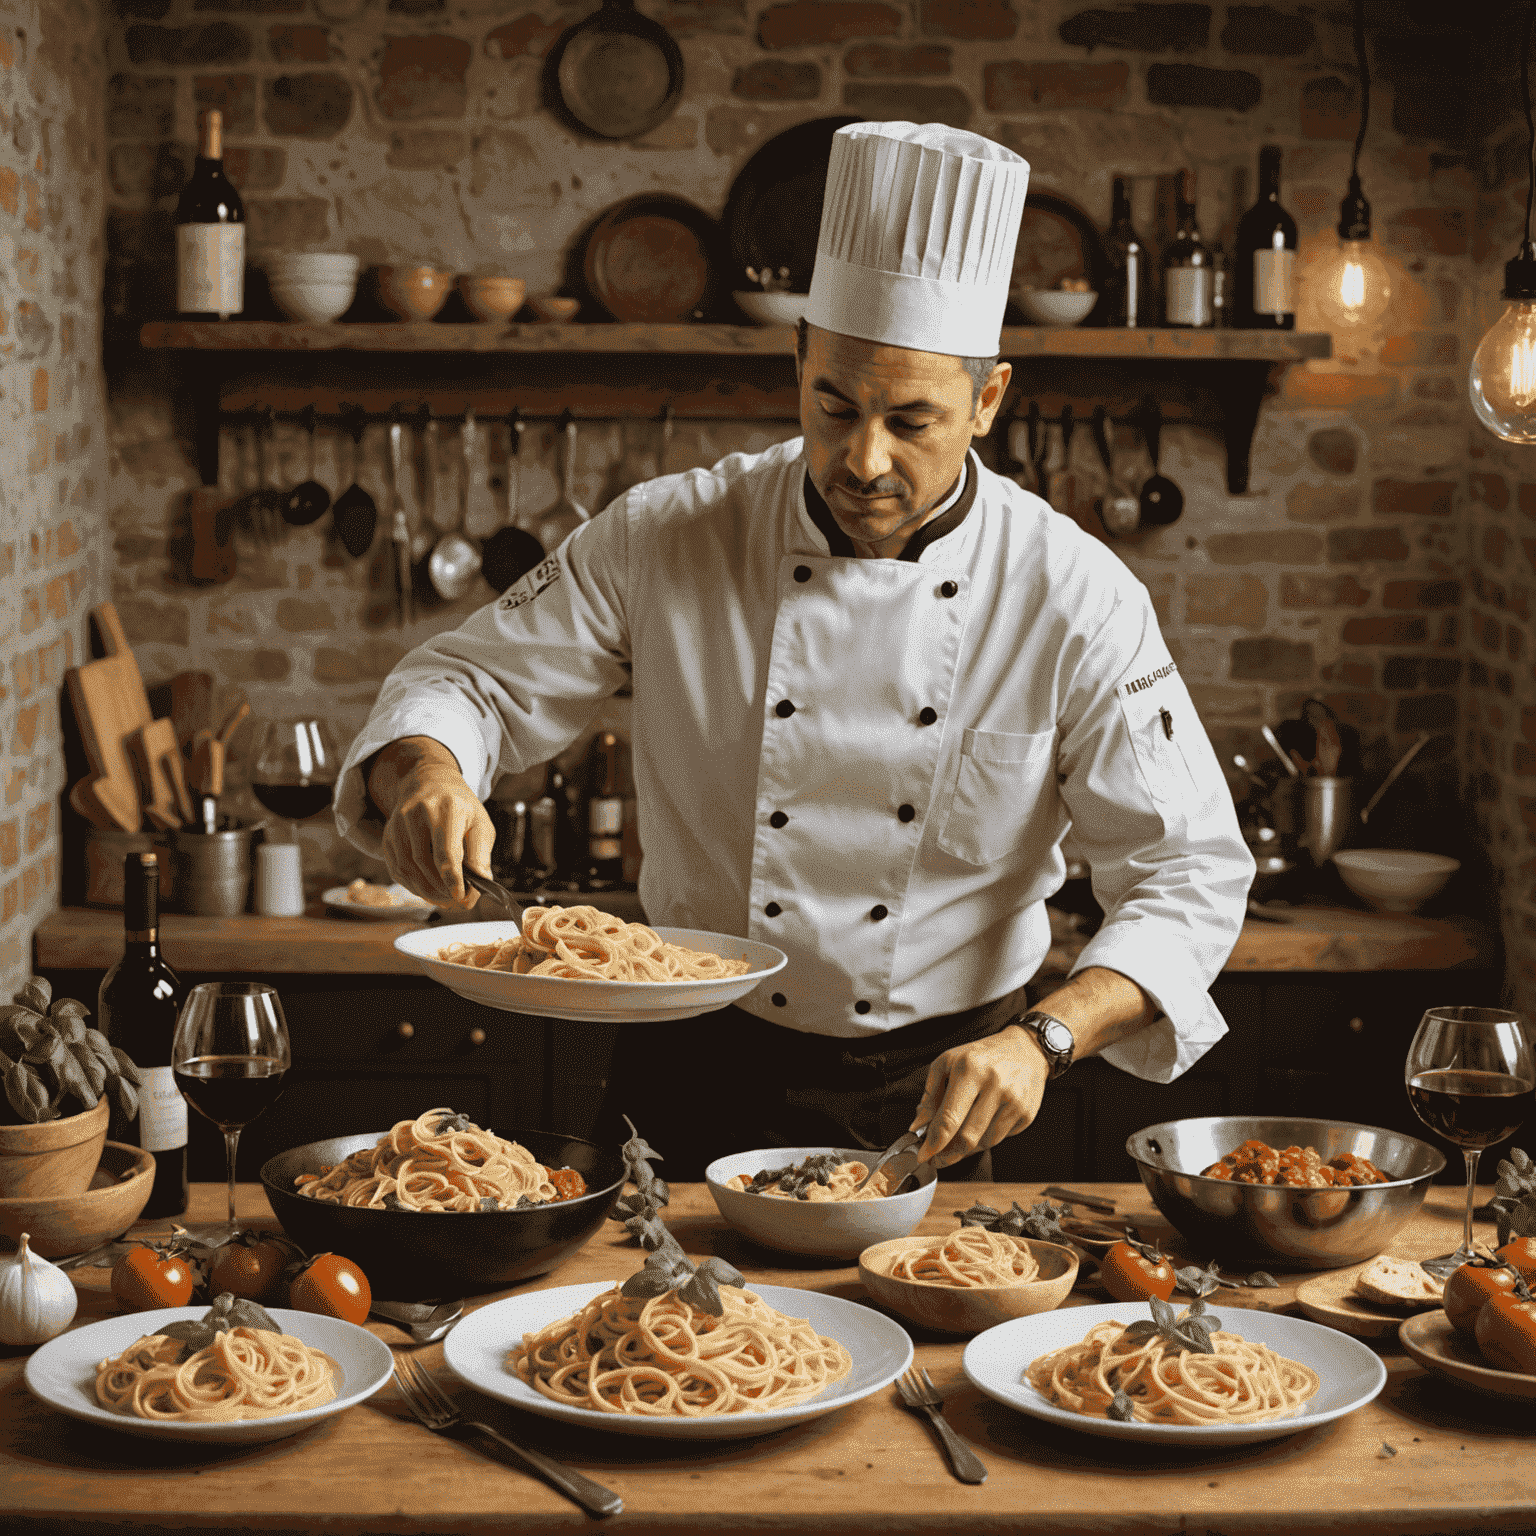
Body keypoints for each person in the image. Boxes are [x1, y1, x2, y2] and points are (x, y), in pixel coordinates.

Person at [336, 122, 1254, 1181]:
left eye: (913, 421)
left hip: (956, 1084)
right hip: (686, 1064)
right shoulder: (666, 531)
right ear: (798, 362)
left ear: (990, 400)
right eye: (835, 405)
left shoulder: (1075, 593)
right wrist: (431, 774)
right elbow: (466, 681)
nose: (863, 459)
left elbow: (1185, 869)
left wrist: (1045, 1038)